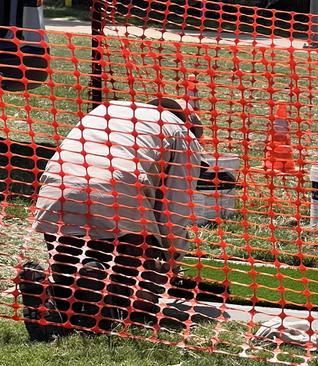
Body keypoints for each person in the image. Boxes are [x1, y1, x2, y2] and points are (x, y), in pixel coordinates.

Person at [18, 97, 204, 341]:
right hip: (116, 192)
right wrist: (172, 258)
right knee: (138, 300)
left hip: (57, 189)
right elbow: (174, 210)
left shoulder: (109, 109)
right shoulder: (183, 134)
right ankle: (98, 287)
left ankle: (46, 291)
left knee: (66, 275)